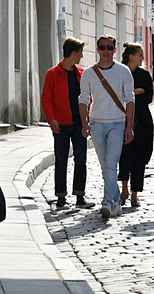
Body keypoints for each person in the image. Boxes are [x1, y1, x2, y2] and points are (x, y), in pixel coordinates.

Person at [79, 35, 135, 219]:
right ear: (97, 50)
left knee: (111, 164)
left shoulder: (123, 71)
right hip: (96, 124)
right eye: (102, 47)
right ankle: (117, 201)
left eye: (110, 47)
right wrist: (84, 123)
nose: (106, 51)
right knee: (105, 167)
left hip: (117, 123)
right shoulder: (88, 73)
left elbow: (130, 99)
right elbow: (83, 100)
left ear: (115, 50)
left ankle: (107, 202)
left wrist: (129, 126)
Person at [41, 37, 95, 210]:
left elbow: (88, 96)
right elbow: (46, 99)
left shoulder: (82, 73)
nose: (81, 56)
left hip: (79, 123)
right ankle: (61, 199)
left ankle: (80, 197)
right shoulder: (52, 73)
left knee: (81, 159)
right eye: (79, 53)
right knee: (61, 160)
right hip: (60, 124)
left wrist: (88, 118)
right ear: (73, 53)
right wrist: (51, 119)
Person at [118, 42, 154, 208]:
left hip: (142, 121)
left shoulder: (144, 75)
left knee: (140, 157)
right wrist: (134, 92)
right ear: (131, 56)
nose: (143, 58)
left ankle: (134, 194)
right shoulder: (118, 72)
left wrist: (131, 93)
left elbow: (148, 98)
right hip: (122, 119)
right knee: (124, 155)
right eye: (140, 55)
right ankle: (124, 189)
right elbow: (118, 96)